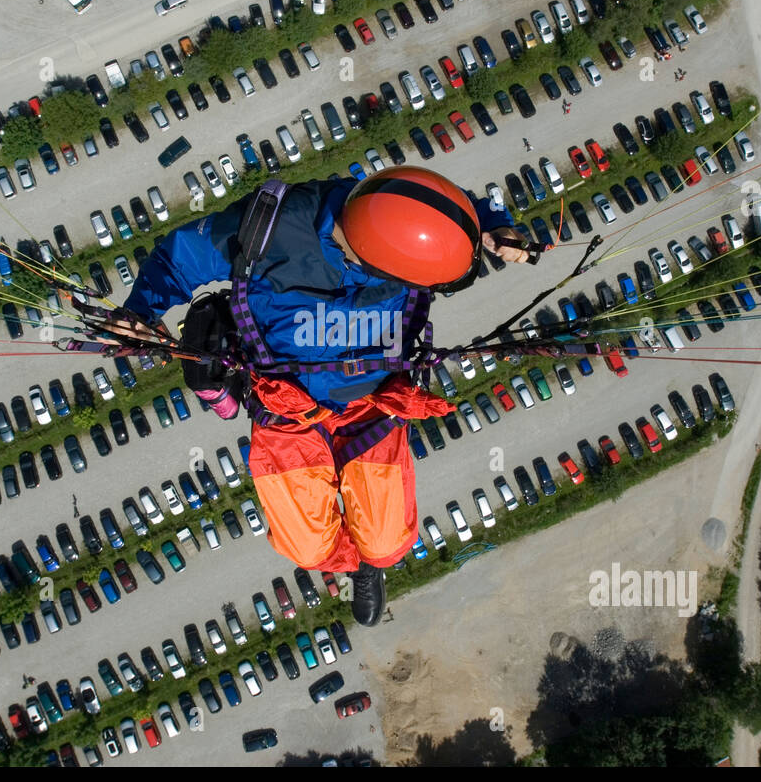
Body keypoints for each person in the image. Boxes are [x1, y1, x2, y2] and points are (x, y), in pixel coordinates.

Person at [108, 169, 528, 625]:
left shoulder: (397, 207)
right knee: (309, 546)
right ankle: (352, 564)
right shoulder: (269, 227)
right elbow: (179, 259)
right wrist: (138, 312)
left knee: (387, 543)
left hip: (372, 406)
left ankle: (371, 566)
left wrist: (489, 224)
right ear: (374, 265)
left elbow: (441, 205)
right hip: (287, 410)